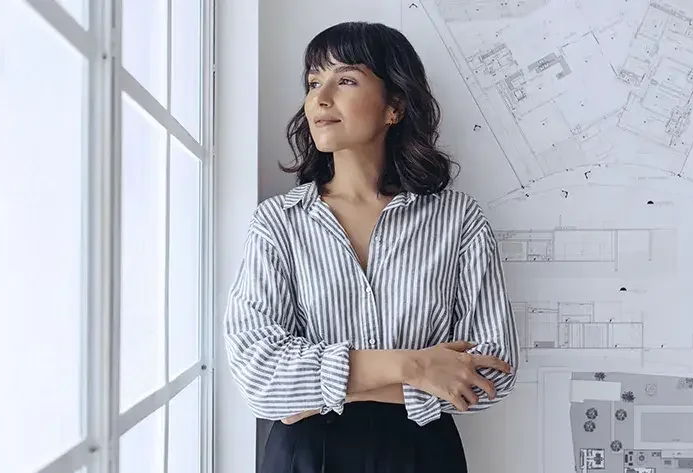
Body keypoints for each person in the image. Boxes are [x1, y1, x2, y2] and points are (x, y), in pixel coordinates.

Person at [223, 21, 520, 472]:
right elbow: (259, 377)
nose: (320, 98)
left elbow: (492, 371)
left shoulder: (458, 220)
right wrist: (416, 368)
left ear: (394, 106)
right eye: (313, 82)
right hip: (305, 458)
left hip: (422, 456)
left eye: (345, 80)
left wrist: (321, 391)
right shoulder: (278, 223)